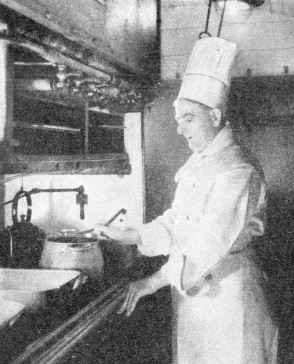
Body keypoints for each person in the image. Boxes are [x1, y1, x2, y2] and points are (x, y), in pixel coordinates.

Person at [94, 37, 278, 364]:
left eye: (188, 118)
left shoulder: (237, 171)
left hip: (229, 300)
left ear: (216, 115)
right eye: (178, 119)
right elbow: (177, 223)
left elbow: (206, 244)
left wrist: (152, 282)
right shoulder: (200, 163)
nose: (181, 129)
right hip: (196, 296)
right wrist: (130, 235)